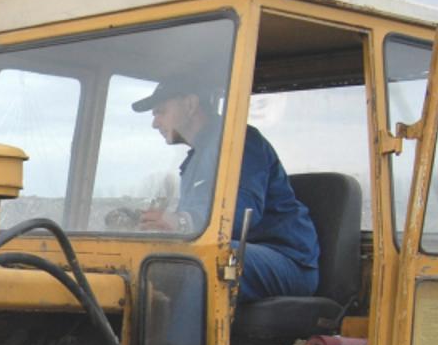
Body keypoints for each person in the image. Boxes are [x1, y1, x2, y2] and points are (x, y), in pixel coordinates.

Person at [132, 80, 320, 303]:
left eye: (161, 112)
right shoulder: (195, 160)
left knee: (197, 262)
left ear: (190, 105)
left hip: (288, 262)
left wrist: (181, 222)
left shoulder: (239, 142)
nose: (155, 123)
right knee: (141, 261)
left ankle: (170, 340)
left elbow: (239, 214)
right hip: (237, 253)